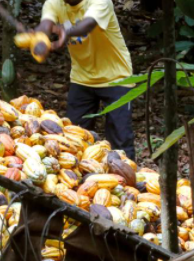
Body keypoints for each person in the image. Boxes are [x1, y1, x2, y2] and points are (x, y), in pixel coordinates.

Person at [35, 0, 135, 160]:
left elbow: (87, 25)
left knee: (120, 140)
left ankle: (127, 181)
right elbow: (46, 24)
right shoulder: (54, 3)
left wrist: (65, 32)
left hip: (116, 77)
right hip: (82, 78)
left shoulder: (100, 2)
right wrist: (39, 37)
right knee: (73, 138)